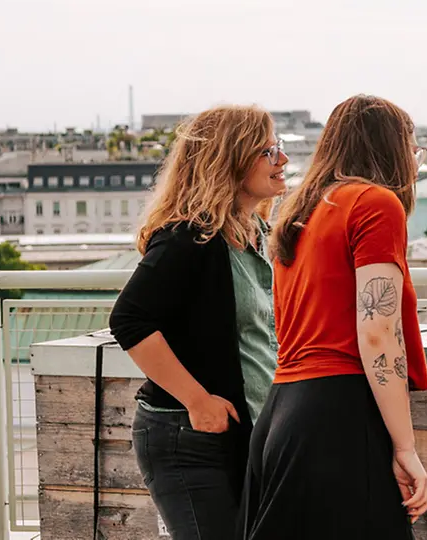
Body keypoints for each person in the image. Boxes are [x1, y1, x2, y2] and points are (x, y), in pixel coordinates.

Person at [242, 95, 427, 538]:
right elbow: (378, 332)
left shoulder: (302, 208)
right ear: (391, 150)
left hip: (283, 410)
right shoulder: (375, 203)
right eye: (413, 149)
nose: (415, 162)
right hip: (338, 413)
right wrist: (405, 447)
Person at [107, 106, 288, 539]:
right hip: (190, 438)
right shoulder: (190, 237)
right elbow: (129, 319)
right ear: (231, 158)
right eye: (269, 150)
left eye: (280, 148)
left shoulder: (252, 232)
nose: (282, 160)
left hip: (242, 433)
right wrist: (197, 400)